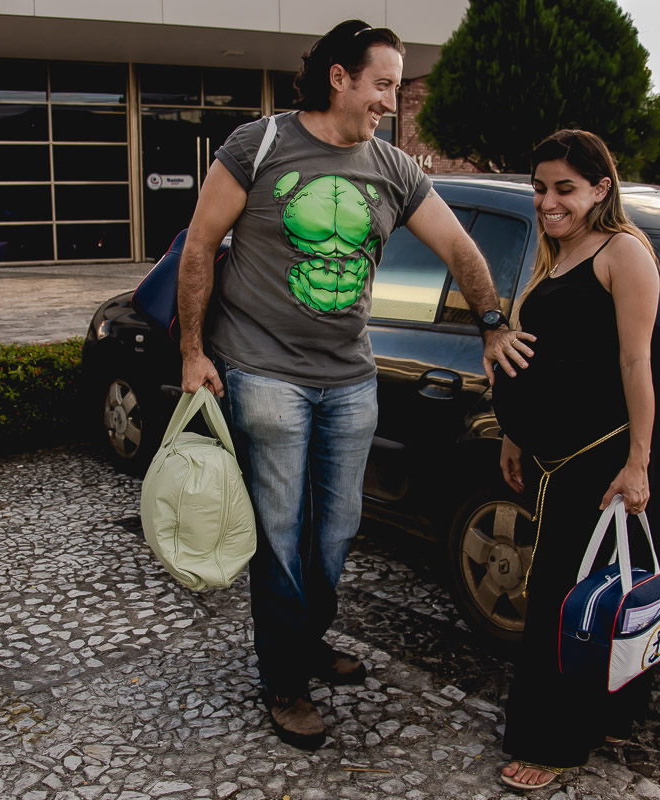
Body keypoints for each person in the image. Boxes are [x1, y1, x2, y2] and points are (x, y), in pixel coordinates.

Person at [176, 19, 530, 751]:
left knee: (335, 531)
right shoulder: (259, 146)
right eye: (382, 85)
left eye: (395, 88)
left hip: (349, 379)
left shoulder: (395, 169)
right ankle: (284, 678)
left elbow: (460, 247)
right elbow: (201, 244)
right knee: (280, 533)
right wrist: (191, 351)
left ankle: (301, 641)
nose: (390, 102)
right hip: (263, 369)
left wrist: (492, 319)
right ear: (340, 77)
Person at [491, 130, 660, 791]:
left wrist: (639, 462)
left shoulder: (624, 254)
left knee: (566, 602)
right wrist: (513, 431)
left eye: (564, 188)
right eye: (539, 187)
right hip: (549, 459)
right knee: (585, 596)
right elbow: (533, 352)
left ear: (600, 188)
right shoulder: (553, 253)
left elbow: (636, 362)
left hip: (598, 460)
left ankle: (556, 744)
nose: (548, 200)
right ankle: (604, 716)